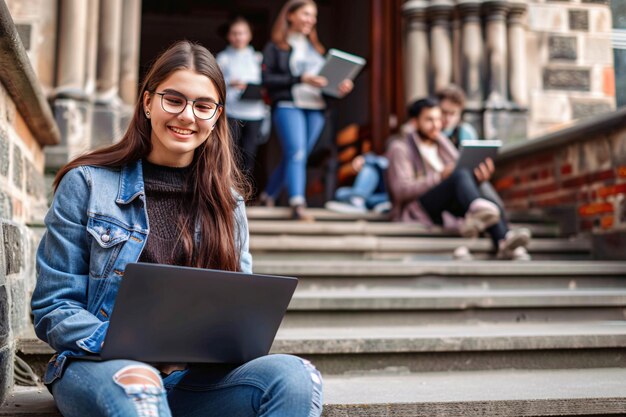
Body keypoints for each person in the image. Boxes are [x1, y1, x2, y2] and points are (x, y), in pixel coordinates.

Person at [31, 41, 323, 417]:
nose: (187, 116)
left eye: (203, 106)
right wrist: (138, 348)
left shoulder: (227, 202)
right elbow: (54, 307)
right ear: (148, 102)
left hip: (192, 382)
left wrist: (222, 344)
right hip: (102, 368)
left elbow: (241, 313)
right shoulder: (86, 184)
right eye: (174, 99)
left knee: (297, 377)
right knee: (140, 386)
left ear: (217, 116)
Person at [385, 98, 531, 261]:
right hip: (419, 207)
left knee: (478, 186)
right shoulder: (400, 148)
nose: (436, 125)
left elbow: (460, 170)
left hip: (447, 206)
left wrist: (478, 177)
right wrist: (439, 177)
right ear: (414, 122)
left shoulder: (442, 143)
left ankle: (504, 240)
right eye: (429, 120)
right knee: (460, 175)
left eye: (438, 119)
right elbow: (401, 191)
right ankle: (495, 228)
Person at [259, 0, 353, 221]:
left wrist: (339, 87)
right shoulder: (275, 47)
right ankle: (297, 203)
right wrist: (301, 78)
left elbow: (325, 83)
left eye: (314, 16)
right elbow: (267, 79)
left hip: (317, 108)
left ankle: (268, 194)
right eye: (306, 14)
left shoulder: (318, 49)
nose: (311, 20)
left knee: (297, 155)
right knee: (297, 153)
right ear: (290, 15)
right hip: (289, 105)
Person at [216, 16, 267, 176]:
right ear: (229, 36)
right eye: (235, 33)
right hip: (232, 111)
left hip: (255, 111)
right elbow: (214, 83)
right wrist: (230, 83)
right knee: (230, 152)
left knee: (250, 153)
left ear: (250, 35)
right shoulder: (222, 58)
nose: (238, 37)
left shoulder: (258, 58)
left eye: (242, 33)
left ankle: (244, 191)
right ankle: (227, 188)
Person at [324, 152, 390, 214]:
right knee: (340, 193)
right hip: (370, 196)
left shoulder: (394, 151)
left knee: (369, 169)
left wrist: (365, 159)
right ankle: (359, 201)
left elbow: (383, 163)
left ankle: (358, 201)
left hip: (385, 196)